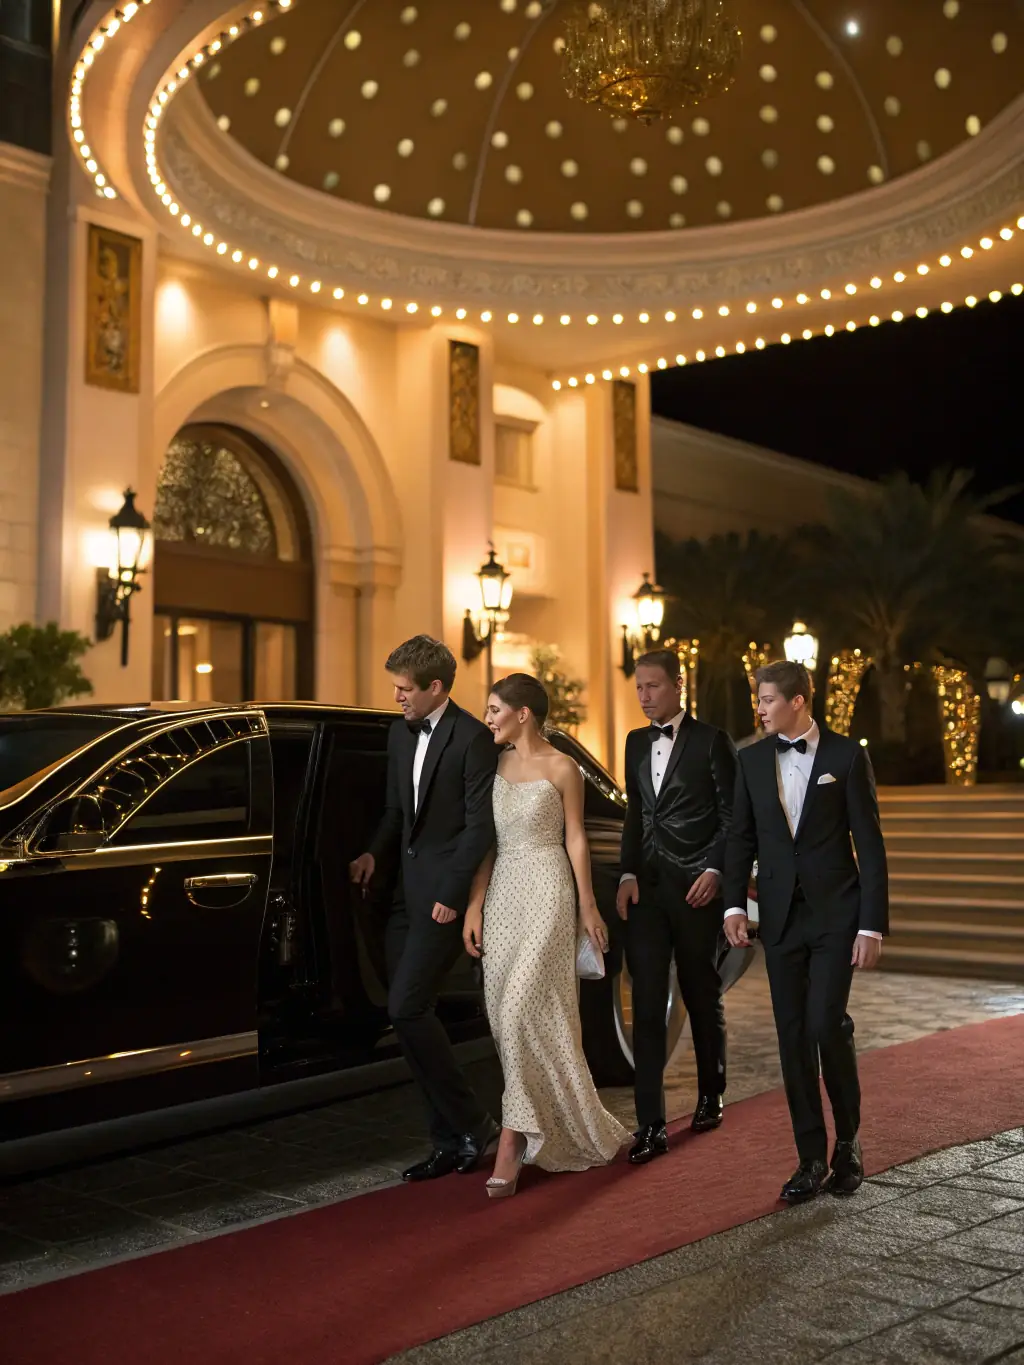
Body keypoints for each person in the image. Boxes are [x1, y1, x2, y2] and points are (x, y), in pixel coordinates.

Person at [723, 660, 888, 1203]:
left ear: (796, 701)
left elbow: (870, 844)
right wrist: (732, 907)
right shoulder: (749, 761)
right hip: (780, 919)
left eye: (767, 699)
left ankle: (849, 1142)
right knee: (792, 1037)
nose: (760, 708)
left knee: (823, 1025)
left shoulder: (845, 755)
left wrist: (871, 924)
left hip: (837, 914)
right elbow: (740, 839)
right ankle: (811, 1157)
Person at [463, 674, 629, 1198]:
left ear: (523, 713)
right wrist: (473, 904)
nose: (487, 718)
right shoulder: (495, 764)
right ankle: (560, 1118)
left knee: (520, 1008)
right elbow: (487, 842)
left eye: (494, 710)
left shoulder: (563, 767)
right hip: (503, 892)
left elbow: (576, 838)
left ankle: (512, 1142)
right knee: (505, 1014)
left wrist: (587, 907)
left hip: (548, 890)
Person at [349, 636, 500, 1182]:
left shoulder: (473, 738)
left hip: (442, 897)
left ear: (435, 687)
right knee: (406, 1014)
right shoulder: (398, 733)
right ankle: (450, 1138)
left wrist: (452, 896)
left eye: (404, 689)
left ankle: (473, 1121)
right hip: (402, 894)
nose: (396, 698)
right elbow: (397, 811)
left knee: (407, 1008)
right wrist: (372, 851)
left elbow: (480, 826)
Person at [616, 649, 738, 1165]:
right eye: (639, 688)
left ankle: (711, 1092)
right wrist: (625, 872)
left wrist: (715, 871)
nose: (645, 697)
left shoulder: (713, 741)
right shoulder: (635, 741)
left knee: (698, 989)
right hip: (646, 891)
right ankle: (650, 1125)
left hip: (695, 890)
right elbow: (635, 813)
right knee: (646, 1002)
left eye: (654, 687)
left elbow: (733, 817)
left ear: (678, 685)